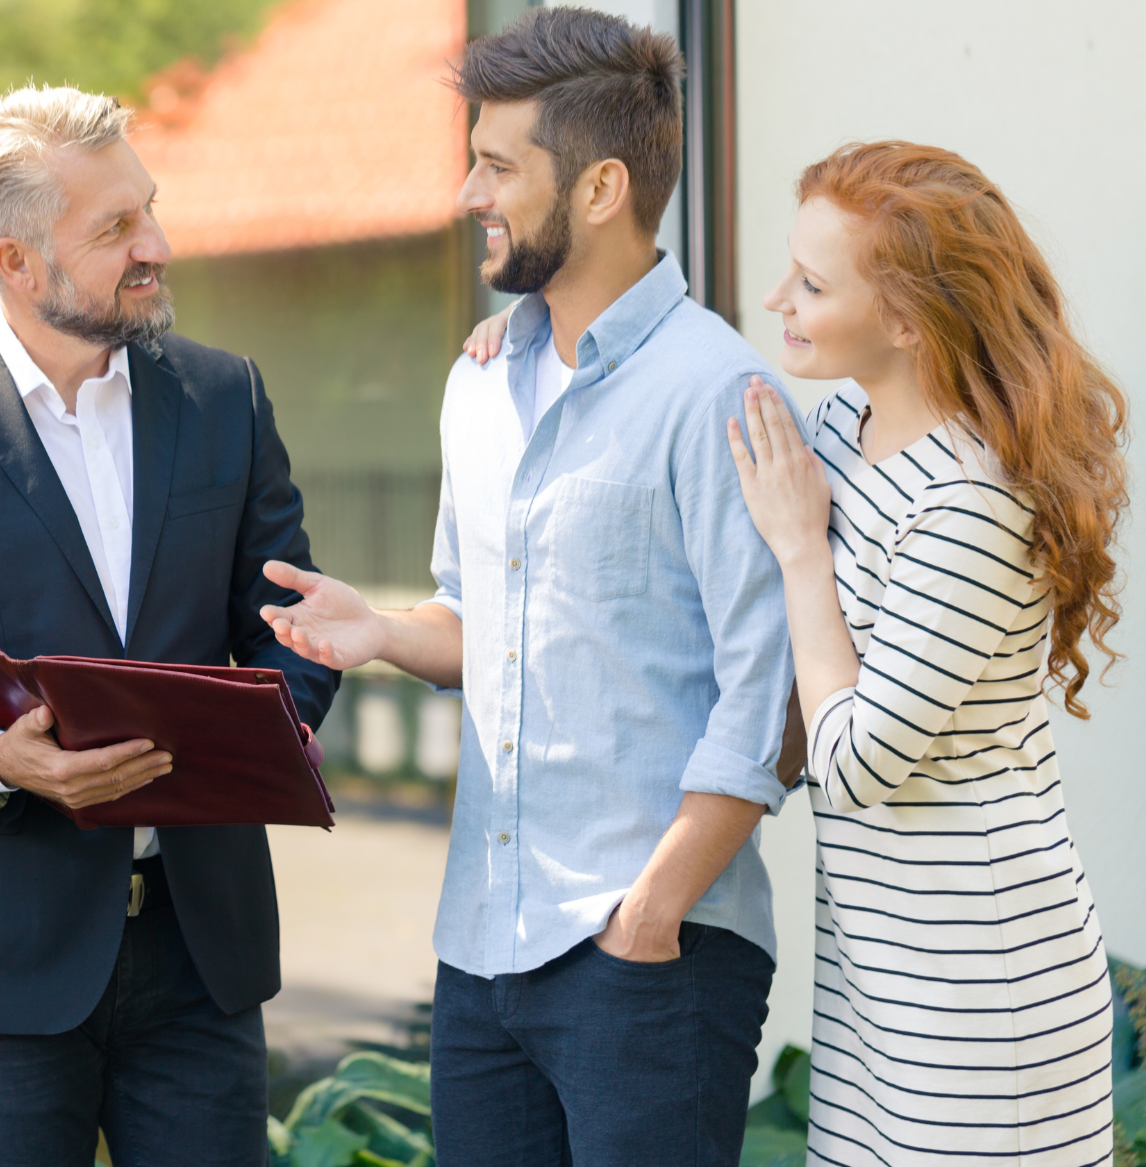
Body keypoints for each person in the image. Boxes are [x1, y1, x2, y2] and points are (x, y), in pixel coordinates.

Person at [259, 9, 801, 1164]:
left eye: (497, 166)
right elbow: (480, 621)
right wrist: (385, 632)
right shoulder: (482, 384)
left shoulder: (719, 392)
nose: (467, 194)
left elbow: (769, 687)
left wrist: (650, 912)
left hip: (651, 955)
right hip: (483, 951)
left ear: (600, 188)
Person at [0, 87, 337, 1167]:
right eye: (116, 230)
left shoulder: (224, 396)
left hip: (201, 949)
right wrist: (1, 761)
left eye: (147, 209)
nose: (157, 245)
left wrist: (260, 734)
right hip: (2, 954)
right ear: (15, 261)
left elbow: (288, 619)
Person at [728, 142, 1124, 1167]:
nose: (777, 297)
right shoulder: (842, 424)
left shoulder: (970, 506)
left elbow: (853, 763)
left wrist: (798, 555)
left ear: (905, 321)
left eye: (811, 285)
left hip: (980, 990)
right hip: (875, 975)